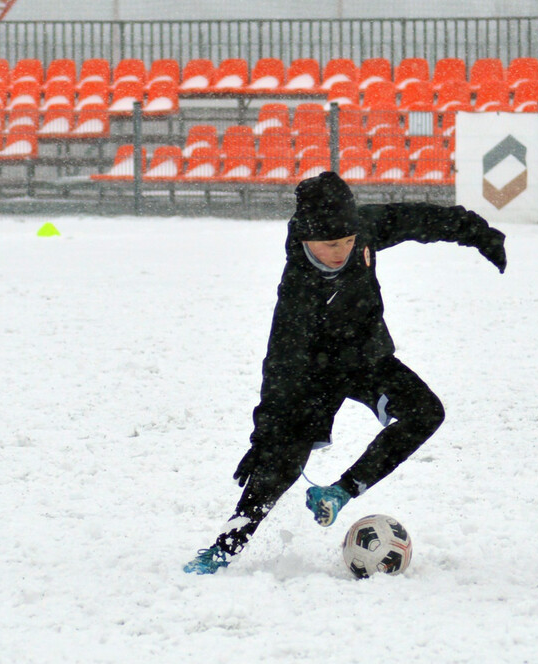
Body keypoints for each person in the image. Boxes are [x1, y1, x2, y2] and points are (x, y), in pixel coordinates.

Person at [184, 171, 507, 574]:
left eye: (350, 242)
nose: (343, 251)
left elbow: (422, 219)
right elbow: (279, 368)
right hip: (313, 372)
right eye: (332, 244)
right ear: (306, 239)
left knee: (426, 412)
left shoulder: (364, 230)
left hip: (366, 358)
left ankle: (340, 492)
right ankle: (223, 549)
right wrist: (266, 433)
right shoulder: (297, 292)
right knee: (281, 460)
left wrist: (477, 233)